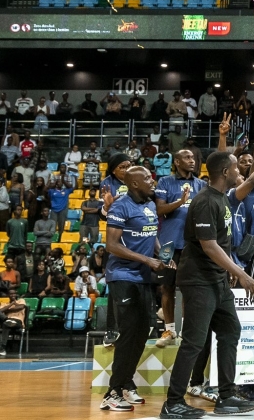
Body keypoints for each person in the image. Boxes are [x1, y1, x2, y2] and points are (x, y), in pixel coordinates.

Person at [161, 152, 254, 419]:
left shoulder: (221, 198)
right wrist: (240, 272)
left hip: (217, 279)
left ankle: (226, 397)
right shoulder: (205, 200)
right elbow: (209, 245)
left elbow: (221, 242)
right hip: (198, 281)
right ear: (225, 172)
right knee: (194, 342)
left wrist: (227, 269)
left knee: (230, 331)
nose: (239, 172)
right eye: (236, 167)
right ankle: (172, 403)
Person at [100, 165, 167, 411]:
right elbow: (112, 245)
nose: (153, 181)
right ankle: (112, 393)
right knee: (128, 333)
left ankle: (126, 383)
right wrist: (147, 260)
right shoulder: (121, 206)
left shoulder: (149, 205)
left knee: (142, 333)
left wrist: (162, 254)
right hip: (123, 276)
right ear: (135, 184)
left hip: (143, 278)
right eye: (148, 178)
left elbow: (151, 235)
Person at [154, 149, 206, 347]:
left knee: (189, 289)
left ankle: (185, 331)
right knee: (167, 287)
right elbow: (159, 209)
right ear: (176, 161)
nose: (192, 161)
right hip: (168, 243)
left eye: (193, 158)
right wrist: (180, 202)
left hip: (193, 244)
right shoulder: (165, 182)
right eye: (187, 157)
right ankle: (169, 331)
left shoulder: (201, 185)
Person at [0, 289, 28, 357]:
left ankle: (2, 349)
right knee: (6, 324)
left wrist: (8, 310)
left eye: (14, 293)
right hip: (7, 322)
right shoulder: (5, 303)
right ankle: (2, 348)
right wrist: (11, 304)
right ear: (8, 295)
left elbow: (21, 307)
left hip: (17, 321)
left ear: (16, 294)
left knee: (6, 324)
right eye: (11, 294)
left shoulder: (21, 300)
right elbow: (1, 310)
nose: (13, 295)